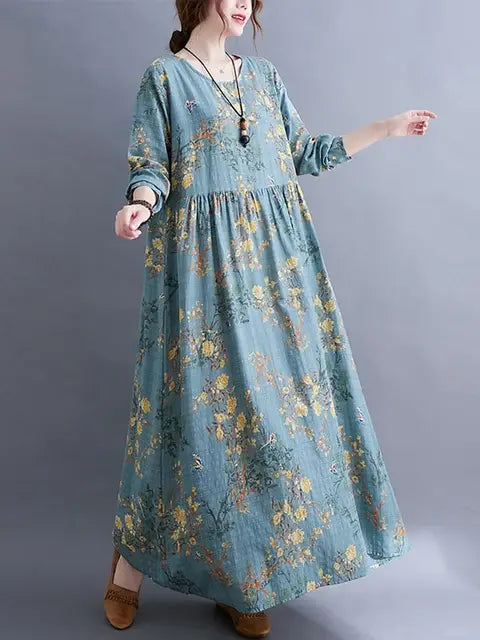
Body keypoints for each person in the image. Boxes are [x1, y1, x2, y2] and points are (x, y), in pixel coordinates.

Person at [104, 0, 436, 636]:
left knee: (267, 426)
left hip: (278, 273)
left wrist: (386, 127)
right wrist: (139, 205)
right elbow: (150, 164)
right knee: (189, 418)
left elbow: (304, 152)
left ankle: (245, 578)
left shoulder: (264, 78)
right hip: (201, 273)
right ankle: (127, 566)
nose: (244, 4)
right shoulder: (164, 78)